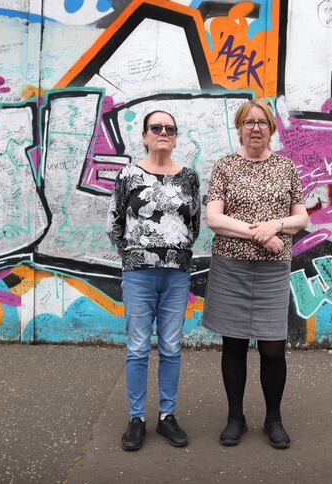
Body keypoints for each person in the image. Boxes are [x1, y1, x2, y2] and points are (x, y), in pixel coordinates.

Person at [203, 99, 308, 449]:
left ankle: (273, 419)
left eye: (262, 122)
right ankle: (236, 417)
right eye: (248, 122)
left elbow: (301, 218)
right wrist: (261, 234)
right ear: (239, 127)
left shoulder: (286, 167)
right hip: (231, 267)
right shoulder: (225, 168)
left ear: (271, 129)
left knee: (273, 349)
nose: (255, 128)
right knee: (233, 345)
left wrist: (276, 225)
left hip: (272, 272)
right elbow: (214, 219)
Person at [106, 110, 201, 451]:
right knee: (137, 347)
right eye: (156, 128)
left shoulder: (188, 177)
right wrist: (132, 253)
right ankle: (136, 419)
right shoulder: (128, 175)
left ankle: (167, 417)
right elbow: (114, 221)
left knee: (172, 347)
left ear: (175, 137)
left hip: (176, 274)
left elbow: (194, 224)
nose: (163, 132)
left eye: (170, 129)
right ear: (144, 136)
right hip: (138, 274)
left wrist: (176, 252)